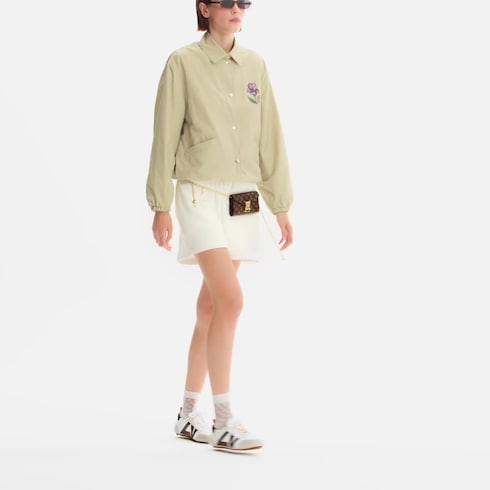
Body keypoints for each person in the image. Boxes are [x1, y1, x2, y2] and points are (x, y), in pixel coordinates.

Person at [146, 0, 294, 452]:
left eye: (243, 2)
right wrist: (160, 204)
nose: (237, 9)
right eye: (227, 2)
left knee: (211, 307)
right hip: (198, 194)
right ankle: (225, 421)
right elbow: (164, 135)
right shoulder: (182, 62)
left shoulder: (255, 65)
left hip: (243, 198)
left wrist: (281, 204)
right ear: (204, 8)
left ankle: (188, 414)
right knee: (231, 300)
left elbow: (271, 135)